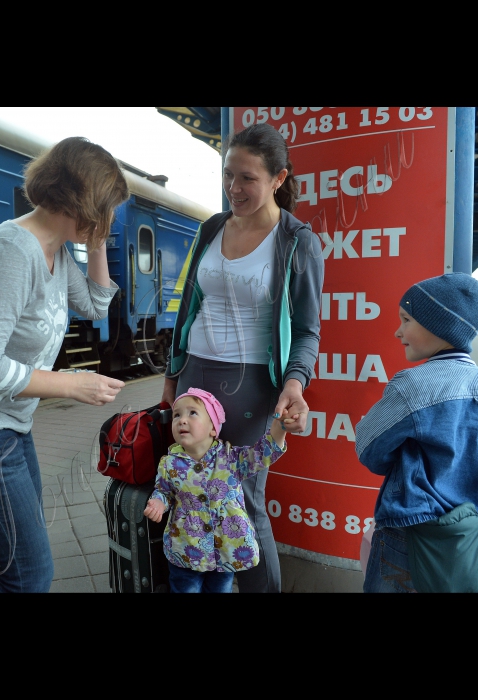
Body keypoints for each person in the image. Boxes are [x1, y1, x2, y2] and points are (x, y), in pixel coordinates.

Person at [0, 137, 128, 593]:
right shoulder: (13, 253)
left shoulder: (53, 250)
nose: (110, 220)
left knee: (25, 566)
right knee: (28, 574)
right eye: (107, 208)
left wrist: (96, 243)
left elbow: (95, 303)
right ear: (84, 201)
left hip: (6, 426)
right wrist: (71, 385)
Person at [162, 123, 324, 593]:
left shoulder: (298, 241)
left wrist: (294, 383)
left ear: (278, 178)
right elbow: (191, 304)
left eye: (248, 178)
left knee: (244, 504)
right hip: (195, 376)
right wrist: (173, 375)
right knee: (191, 493)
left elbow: (308, 329)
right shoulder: (213, 227)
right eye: (229, 175)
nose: (234, 188)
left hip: (252, 387)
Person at [355, 273, 478, 593]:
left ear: (439, 325)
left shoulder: (412, 386)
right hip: (471, 544)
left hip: (408, 539)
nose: (398, 331)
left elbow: (369, 449)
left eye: (406, 320)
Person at [144, 388, 291, 593]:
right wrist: (158, 502)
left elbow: (260, 455)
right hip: (186, 550)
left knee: (221, 590)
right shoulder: (169, 463)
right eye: (177, 414)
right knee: (185, 589)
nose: (182, 420)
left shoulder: (230, 458)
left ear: (213, 428)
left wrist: (280, 428)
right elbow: (164, 490)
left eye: (192, 413)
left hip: (225, 550)